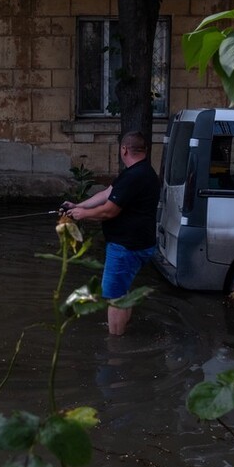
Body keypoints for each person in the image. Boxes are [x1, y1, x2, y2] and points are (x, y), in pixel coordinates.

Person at [62, 131, 161, 336]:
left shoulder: (134, 176)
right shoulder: (143, 172)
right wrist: (77, 205)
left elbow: (109, 210)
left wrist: (82, 214)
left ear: (124, 149)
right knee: (123, 293)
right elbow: (105, 194)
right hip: (140, 244)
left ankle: (115, 348)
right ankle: (124, 331)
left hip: (126, 247)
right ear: (145, 149)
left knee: (115, 298)